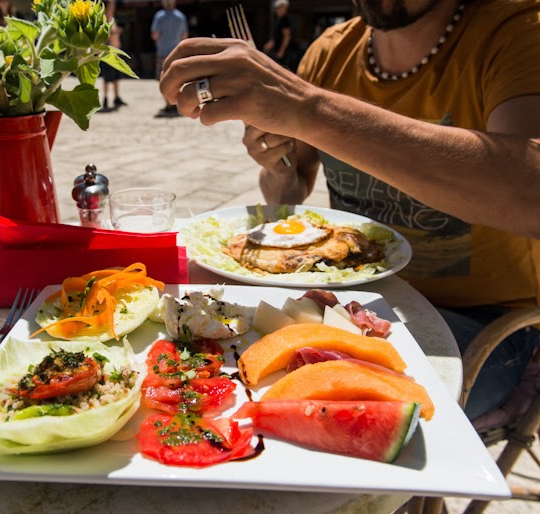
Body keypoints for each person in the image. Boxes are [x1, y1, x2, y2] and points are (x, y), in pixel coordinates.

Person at [159, 0, 540, 421]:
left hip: (481, 322)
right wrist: (277, 161)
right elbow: (290, 187)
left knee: (336, 419)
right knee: (207, 379)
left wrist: (309, 109)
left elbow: (530, 195)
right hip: (348, 302)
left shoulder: (517, 28)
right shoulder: (330, 51)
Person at [151, 0, 188, 116]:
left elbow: (155, 34)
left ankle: (168, 104)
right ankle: (176, 104)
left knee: (163, 79)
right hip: (177, 53)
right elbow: (184, 36)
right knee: (178, 79)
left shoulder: (159, 16)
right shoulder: (181, 17)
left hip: (162, 52)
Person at [100, 0, 127, 112]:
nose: (113, 8)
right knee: (107, 79)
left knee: (116, 78)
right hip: (107, 54)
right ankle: (105, 99)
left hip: (115, 53)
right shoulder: (103, 21)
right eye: (111, 6)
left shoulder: (111, 20)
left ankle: (116, 97)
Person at [262, 0, 291, 69]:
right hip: (275, 49)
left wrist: (282, 51)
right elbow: (276, 36)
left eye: (280, 8)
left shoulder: (285, 20)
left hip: (281, 52)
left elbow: (286, 37)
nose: (278, 10)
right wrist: (269, 44)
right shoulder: (279, 20)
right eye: (277, 8)